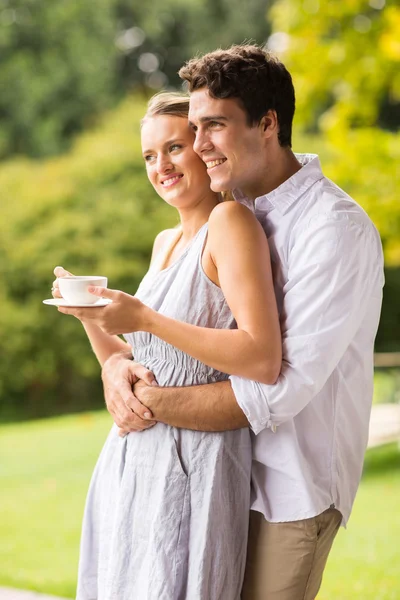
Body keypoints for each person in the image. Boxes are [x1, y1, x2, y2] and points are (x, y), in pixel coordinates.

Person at [94, 45, 385, 600]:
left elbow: (277, 386)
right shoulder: (237, 208)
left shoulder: (334, 229)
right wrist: (119, 371)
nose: (198, 147)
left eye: (213, 127)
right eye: (195, 129)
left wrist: (143, 404)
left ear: (268, 123)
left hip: (290, 491)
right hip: (217, 478)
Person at [53, 91, 282, 599]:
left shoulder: (231, 224)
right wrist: (90, 317)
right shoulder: (165, 242)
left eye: (174, 148)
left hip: (196, 462)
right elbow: (134, 363)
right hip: (134, 464)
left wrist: (146, 319)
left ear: (204, 146)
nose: (162, 166)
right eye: (150, 157)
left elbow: (261, 356)